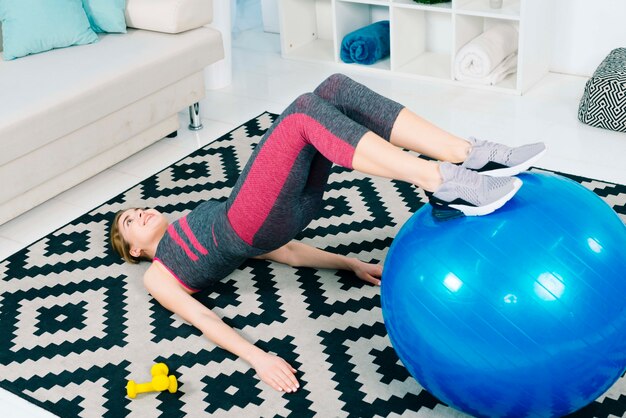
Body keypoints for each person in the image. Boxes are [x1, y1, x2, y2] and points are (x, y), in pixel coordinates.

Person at [109, 73, 545, 393]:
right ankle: (443, 179)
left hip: (276, 217)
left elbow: (286, 252)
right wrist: (257, 357)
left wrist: (348, 263)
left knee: (333, 89)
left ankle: (469, 153)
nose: (142, 212)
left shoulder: (188, 224)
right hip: (247, 220)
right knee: (302, 111)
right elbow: (201, 317)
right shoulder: (158, 274)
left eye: (139, 208)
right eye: (131, 222)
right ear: (135, 251)